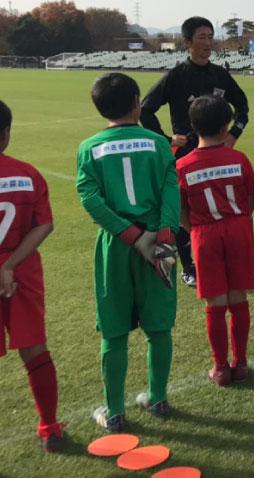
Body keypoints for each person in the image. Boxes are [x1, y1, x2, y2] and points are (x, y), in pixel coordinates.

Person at [77, 73, 180, 433]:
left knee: (114, 331)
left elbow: (90, 198)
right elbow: (171, 189)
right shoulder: (158, 143)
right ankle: (158, 398)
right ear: (137, 102)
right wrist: (161, 234)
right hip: (160, 243)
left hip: (117, 246)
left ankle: (116, 412)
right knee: (159, 327)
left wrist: (131, 234)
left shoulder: (89, 147)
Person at [139, 16, 254, 288]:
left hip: (219, 151)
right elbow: (146, 109)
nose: (207, 42)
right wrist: (168, 139)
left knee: (229, 205)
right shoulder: (176, 76)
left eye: (210, 36)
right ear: (187, 42)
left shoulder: (220, 74)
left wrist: (233, 135)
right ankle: (189, 266)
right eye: (201, 37)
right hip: (187, 153)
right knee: (185, 210)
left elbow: (243, 108)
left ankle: (241, 260)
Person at [176, 96, 254, 386]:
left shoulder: (183, 165)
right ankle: (242, 362)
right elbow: (250, 200)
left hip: (204, 232)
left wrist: (196, 228)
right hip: (238, 228)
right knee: (238, 298)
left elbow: (180, 211)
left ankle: (221, 367)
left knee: (215, 302)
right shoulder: (239, 159)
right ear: (226, 128)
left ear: (193, 127)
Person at [0, 99, 65, 451]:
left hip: (12, 268)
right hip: (21, 270)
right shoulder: (27, 173)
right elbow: (45, 224)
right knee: (35, 349)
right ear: (6, 134)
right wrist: (8, 266)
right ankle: (50, 427)